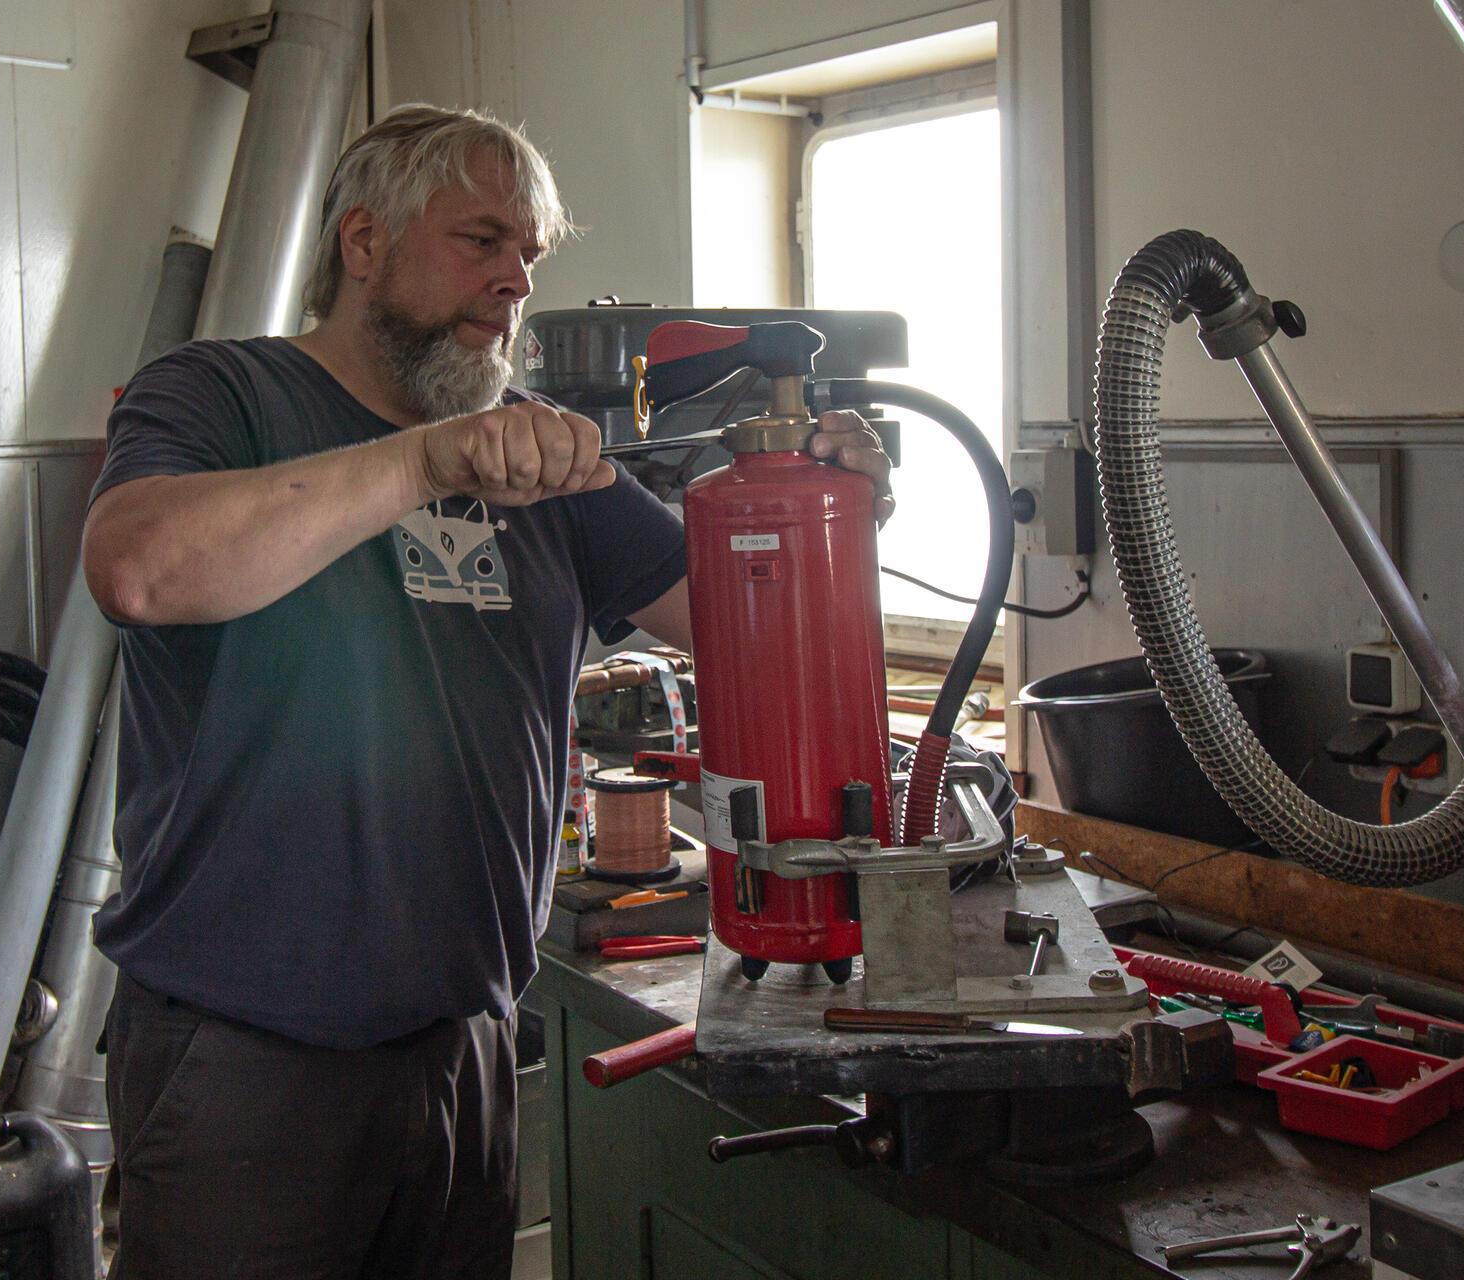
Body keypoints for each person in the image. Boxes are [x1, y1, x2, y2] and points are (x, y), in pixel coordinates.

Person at [81, 103, 892, 1279]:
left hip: (464, 1043)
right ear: (363, 242)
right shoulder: (220, 395)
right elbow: (139, 568)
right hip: (245, 1062)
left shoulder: (539, 451)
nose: (516, 280)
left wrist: (823, 506)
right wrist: (427, 457)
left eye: (531, 254)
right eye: (482, 240)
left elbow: (749, 635)